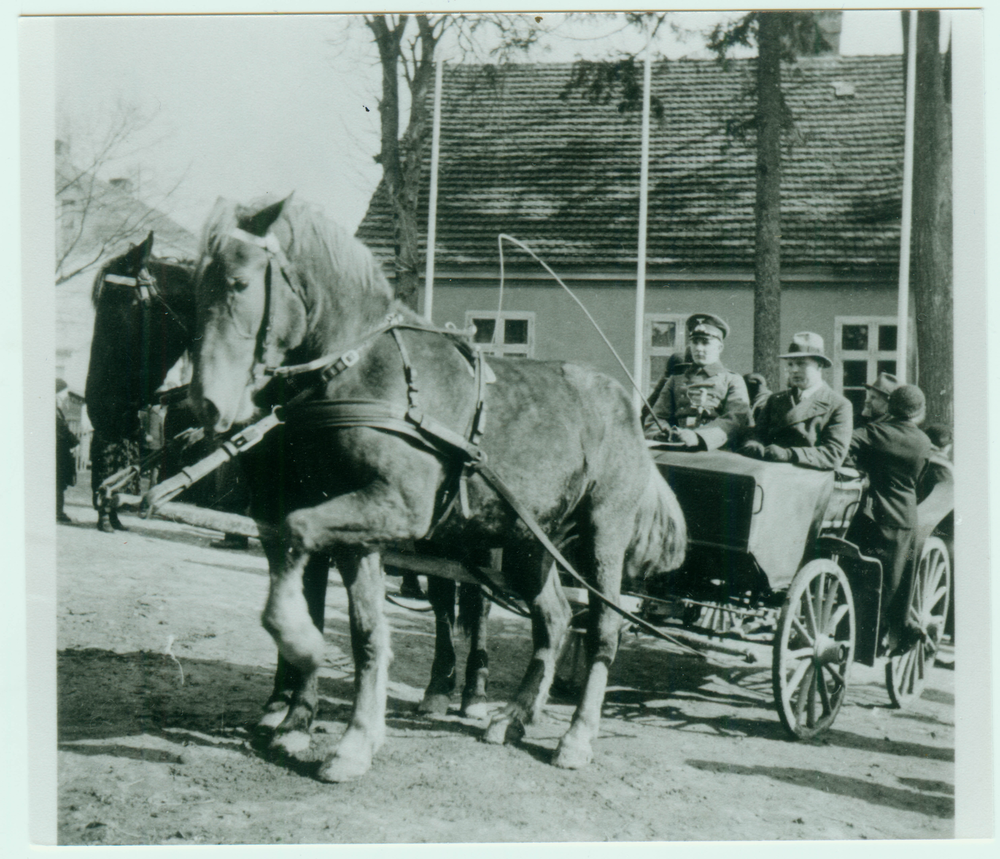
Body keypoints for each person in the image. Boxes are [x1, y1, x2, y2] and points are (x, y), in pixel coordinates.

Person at [845, 385, 932, 650]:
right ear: (918, 412)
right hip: (906, 517)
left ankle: (859, 638)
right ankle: (891, 635)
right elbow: (919, 479)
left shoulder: (876, 432)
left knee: (864, 581)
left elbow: (843, 446)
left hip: (873, 515)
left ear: (891, 406)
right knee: (895, 583)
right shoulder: (924, 442)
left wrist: (859, 469)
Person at [739, 332, 853, 470]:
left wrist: (789, 454)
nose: (793, 370)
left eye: (801, 364)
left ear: (819, 365)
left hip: (808, 477)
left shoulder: (839, 405)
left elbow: (833, 454)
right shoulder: (775, 399)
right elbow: (757, 433)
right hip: (769, 472)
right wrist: (752, 445)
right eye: (791, 364)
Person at [643, 313, 750, 451]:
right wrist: (662, 434)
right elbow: (656, 417)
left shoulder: (732, 380)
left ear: (719, 348)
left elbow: (734, 419)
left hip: (715, 451)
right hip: (676, 449)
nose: (699, 348)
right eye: (695, 342)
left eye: (705, 342)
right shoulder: (675, 380)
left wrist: (698, 437)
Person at [56, 379, 79, 524]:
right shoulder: (53, 410)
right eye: (63, 393)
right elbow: (62, 430)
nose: (65, 397)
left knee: (59, 482)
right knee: (58, 482)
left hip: (60, 451)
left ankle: (58, 510)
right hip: (59, 452)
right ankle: (57, 512)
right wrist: (75, 442)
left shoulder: (56, 409)